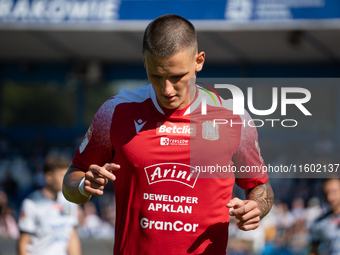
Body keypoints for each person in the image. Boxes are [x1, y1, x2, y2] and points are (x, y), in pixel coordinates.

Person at [63, 14, 274, 254]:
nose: (167, 89)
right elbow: (71, 184)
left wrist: (256, 207)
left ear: (199, 61)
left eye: (177, 77)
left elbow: (260, 187)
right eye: (156, 76)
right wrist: (82, 186)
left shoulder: (234, 117)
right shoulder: (115, 111)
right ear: (144, 60)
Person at [18, 155, 81, 255]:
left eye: (67, 175)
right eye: (61, 176)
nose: (66, 180)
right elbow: (23, 243)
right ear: (49, 177)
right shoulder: (31, 204)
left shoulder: (71, 202)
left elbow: (72, 236)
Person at [310, 178, 340, 255]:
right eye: (327, 193)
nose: (330, 197)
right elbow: (314, 251)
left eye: (334, 191)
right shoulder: (319, 223)